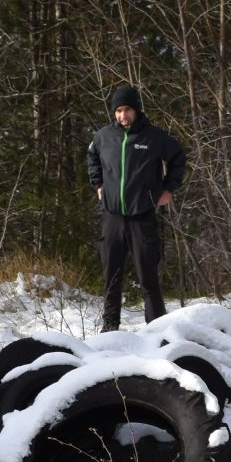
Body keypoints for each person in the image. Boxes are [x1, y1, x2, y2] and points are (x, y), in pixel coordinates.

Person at [87, 83, 186, 331]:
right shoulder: (103, 137)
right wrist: (97, 184)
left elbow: (178, 158)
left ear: (136, 109)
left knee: (148, 276)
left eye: (127, 110)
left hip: (142, 215)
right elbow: (92, 158)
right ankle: (110, 326)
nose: (123, 116)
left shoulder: (153, 137)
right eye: (118, 111)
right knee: (112, 275)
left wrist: (168, 189)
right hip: (112, 216)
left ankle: (157, 329)